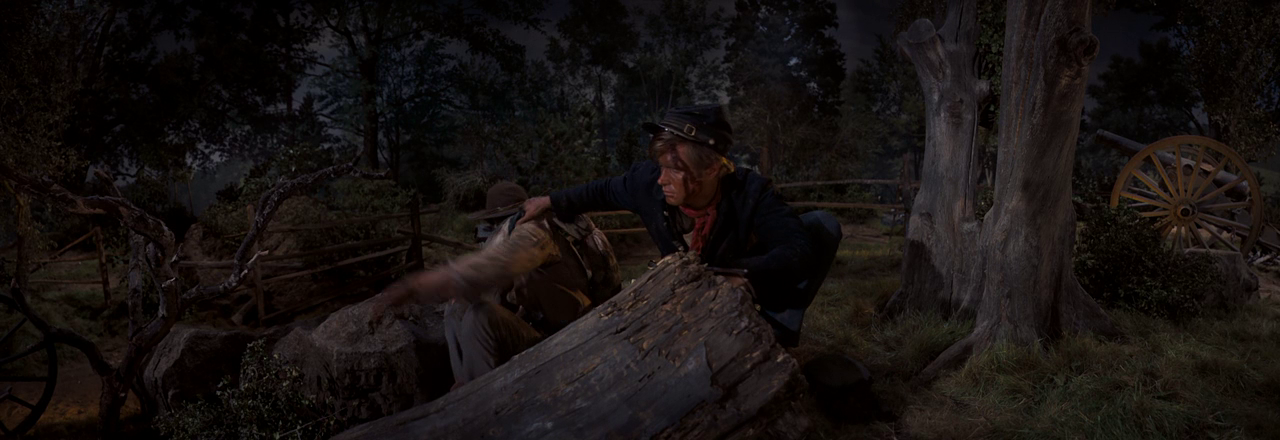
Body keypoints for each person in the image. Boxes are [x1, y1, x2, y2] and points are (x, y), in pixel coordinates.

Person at [519, 104, 842, 347]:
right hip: (683, 293)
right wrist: (549, 200)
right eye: (661, 166)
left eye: (675, 169)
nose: (662, 179)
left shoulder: (751, 193)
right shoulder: (649, 183)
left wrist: (743, 276)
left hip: (739, 283)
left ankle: (775, 330)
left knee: (821, 226)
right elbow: (602, 191)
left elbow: (797, 251)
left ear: (712, 168)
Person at [369, 181, 620, 387]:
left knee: (480, 316)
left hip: (565, 337)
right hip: (553, 326)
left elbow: (498, 265)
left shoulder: (531, 231)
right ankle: (465, 384)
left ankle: (478, 399)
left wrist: (423, 284)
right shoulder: (543, 228)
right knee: (457, 308)